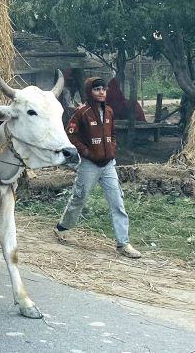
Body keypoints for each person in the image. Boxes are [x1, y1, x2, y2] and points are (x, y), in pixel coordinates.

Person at [54, 77, 142, 258]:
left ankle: (123, 243)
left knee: (117, 203)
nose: (102, 92)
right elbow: (71, 135)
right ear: (89, 92)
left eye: (103, 89)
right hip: (89, 165)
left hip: (108, 164)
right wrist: (85, 151)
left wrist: (112, 149)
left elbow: (113, 134)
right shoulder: (81, 113)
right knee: (79, 197)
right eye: (97, 89)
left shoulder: (109, 111)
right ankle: (63, 227)